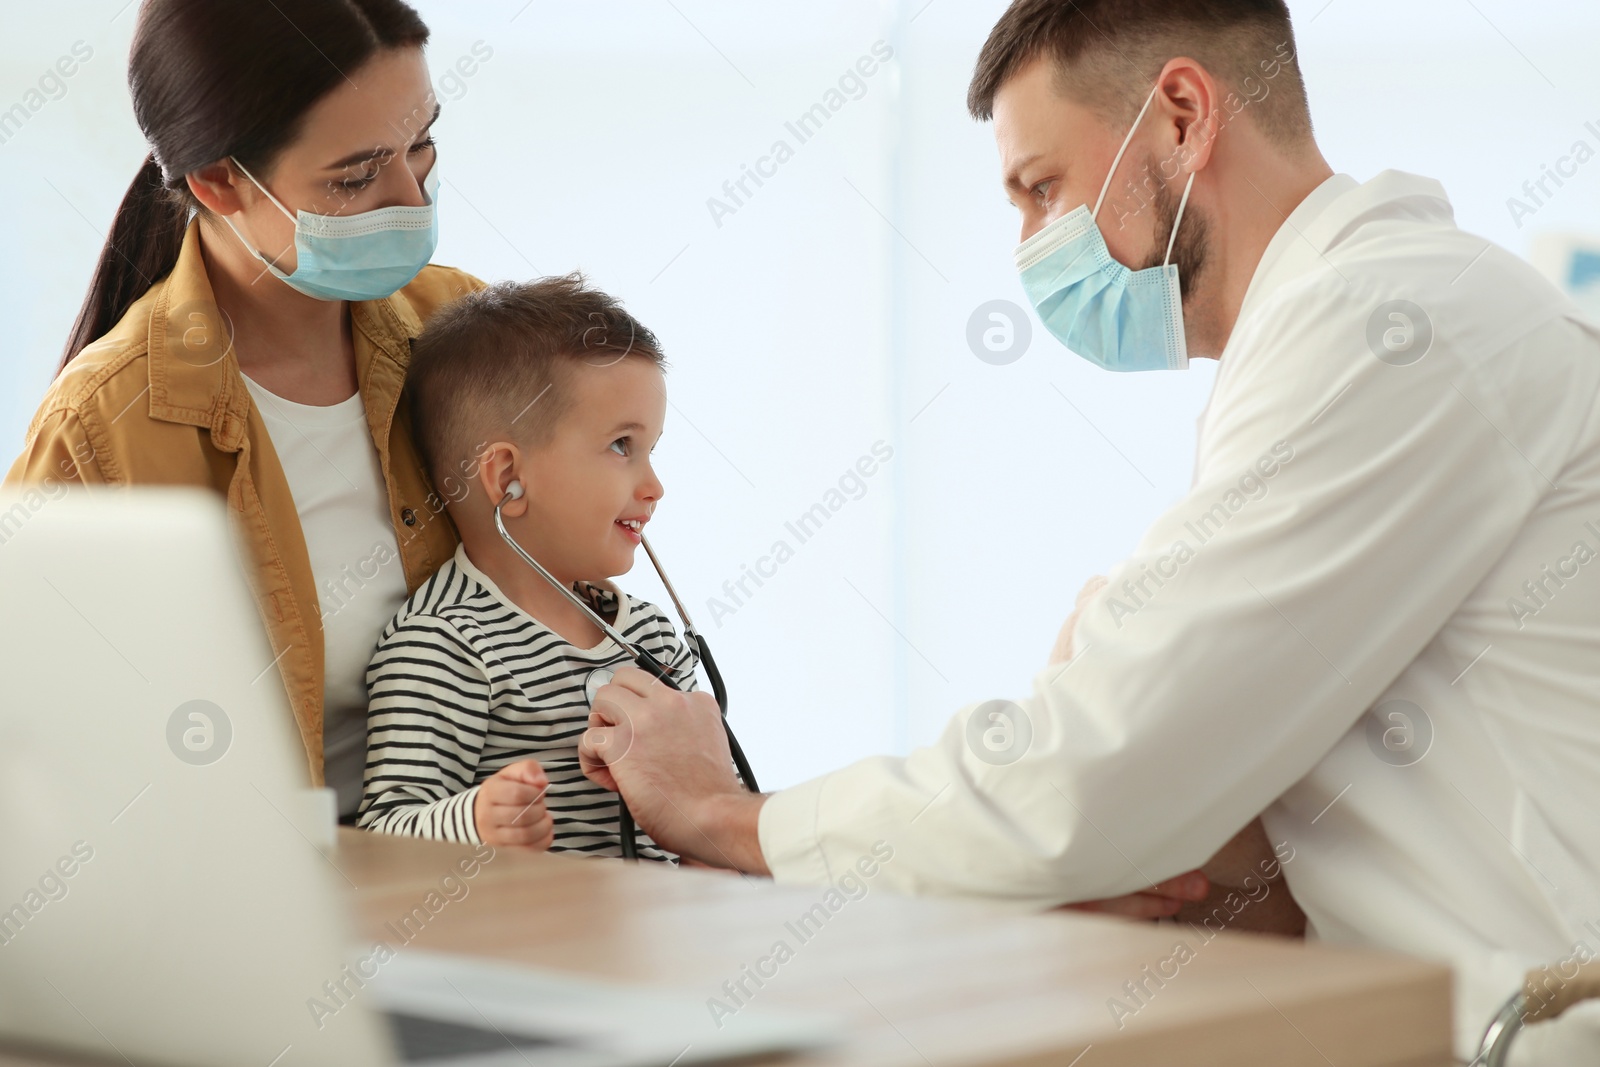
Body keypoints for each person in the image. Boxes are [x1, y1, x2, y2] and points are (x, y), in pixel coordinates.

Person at [577, 0, 1600, 1059]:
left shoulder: (1387, 327)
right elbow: (1199, 775)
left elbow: (1088, 770)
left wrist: (724, 814)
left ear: (1181, 116)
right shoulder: (1343, 329)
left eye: (1042, 189)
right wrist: (1110, 830)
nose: (1028, 248)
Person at [4, 0, 486, 819]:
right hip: (247, 908)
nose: (411, 197)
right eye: (357, 175)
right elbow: (40, 756)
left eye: (422, 143)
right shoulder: (100, 429)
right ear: (220, 182)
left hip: (504, 879)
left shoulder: (464, 327)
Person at [356, 276, 699, 859]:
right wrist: (476, 821)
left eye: (651, 450)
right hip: (544, 943)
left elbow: (719, 811)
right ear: (507, 479)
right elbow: (385, 831)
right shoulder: (447, 644)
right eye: (621, 445)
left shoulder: (652, 636)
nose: (655, 486)